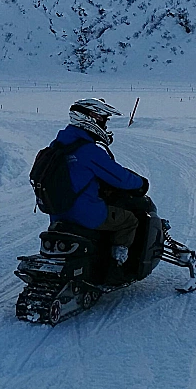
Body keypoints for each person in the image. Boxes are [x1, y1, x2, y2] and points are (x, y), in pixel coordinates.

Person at [50, 98, 148, 266]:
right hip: (85, 213)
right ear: (90, 118)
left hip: (59, 213)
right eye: (103, 119)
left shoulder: (58, 145)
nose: (105, 124)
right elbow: (119, 177)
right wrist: (141, 183)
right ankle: (118, 262)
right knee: (129, 220)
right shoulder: (87, 150)